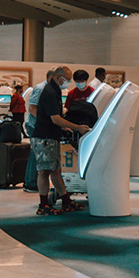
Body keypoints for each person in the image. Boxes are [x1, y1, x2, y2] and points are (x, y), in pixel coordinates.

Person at [31, 66, 91, 216]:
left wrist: (65, 128)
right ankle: (43, 205)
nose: (69, 83)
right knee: (44, 171)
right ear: (59, 78)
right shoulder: (50, 92)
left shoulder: (55, 91)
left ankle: (66, 200)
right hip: (44, 137)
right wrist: (77, 127)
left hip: (51, 136)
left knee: (56, 170)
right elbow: (55, 118)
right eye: (67, 80)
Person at [22, 70, 54, 192]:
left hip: (40, 125)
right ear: (51, 77)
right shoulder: (40, 88)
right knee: (35, 153)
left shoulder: (50, 89)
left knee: (37, 152)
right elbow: (32, 108)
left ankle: (32, 181)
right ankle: (30, 182)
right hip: (35, 125)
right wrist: (45, 121)